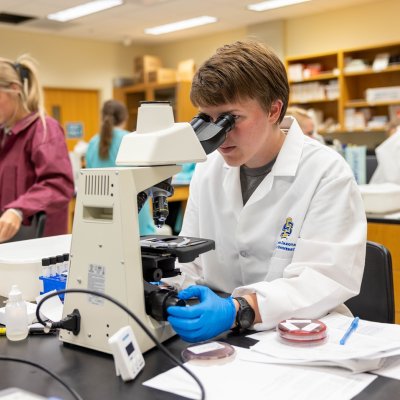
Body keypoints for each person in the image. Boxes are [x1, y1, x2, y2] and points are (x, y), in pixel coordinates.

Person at [166, 40, 367, 343]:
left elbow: (324, 279)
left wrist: (238, 309)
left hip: (301, 336)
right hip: (222, 337)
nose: (218, 136)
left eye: (230, 119)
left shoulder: (326, 171)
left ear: (274, 110)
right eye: (208, 120)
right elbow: (190, 263)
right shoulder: (207, 170)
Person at [0, 55, 74, 243]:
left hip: (39, 245)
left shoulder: (43, 130)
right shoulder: (4, 135)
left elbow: (59, 184)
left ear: (14, 89)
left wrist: (18, 210)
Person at [85, 99, 156, 235]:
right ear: (125, 118)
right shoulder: (131, 139)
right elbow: (147, 177)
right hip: (133, 212)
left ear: (102, 117)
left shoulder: (93, 142)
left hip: (101, 214)